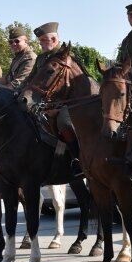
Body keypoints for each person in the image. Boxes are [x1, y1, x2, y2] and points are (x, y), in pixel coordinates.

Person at [25, 22, 82, 176]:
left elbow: (74, 86)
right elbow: (31, 80)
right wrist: (21, 92)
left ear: (54, 40)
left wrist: (57, 108)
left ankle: (77, 157)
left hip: (67, 103)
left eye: (44, 40)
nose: (41, 43)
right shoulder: (41, 59)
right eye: (40, 40)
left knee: (63, 121)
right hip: (46, 102)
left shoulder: (67, 57)